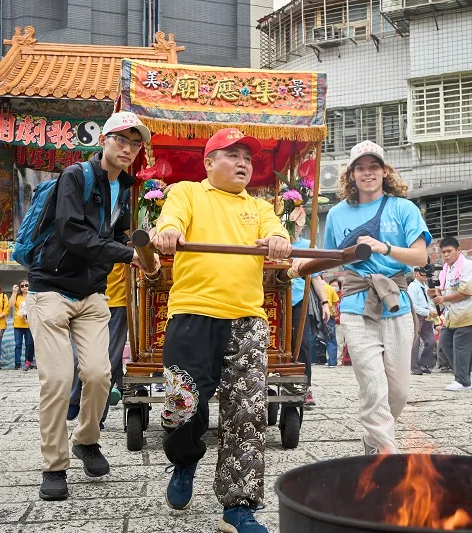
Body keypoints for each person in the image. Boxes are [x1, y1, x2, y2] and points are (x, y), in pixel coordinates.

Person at [151, 127, 291, 533]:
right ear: (209, 163)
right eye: (232, 155)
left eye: (247, 157)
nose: (243, 163)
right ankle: (185, 459)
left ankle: (238, 507)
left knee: (246, 412)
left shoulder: (259, 207)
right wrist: (169, 232)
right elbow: (171, 219)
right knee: (182, 405)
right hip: (192, 314)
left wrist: (277, 239)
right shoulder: (187, 193)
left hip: (247, 319)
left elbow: (276, 230)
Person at [27, 111, 150, 501]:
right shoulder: (75, 176)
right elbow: (73, 233)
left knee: (99, 374)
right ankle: (54, 465)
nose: (128, 149)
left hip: (92, 294)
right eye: (121, 140)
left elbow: (118, 235)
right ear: (104, 141)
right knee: (58, 379)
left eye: (135, 144)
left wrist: (142, 248)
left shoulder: (124, 188)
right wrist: (127, 254)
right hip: (50, 289)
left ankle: (86, 440)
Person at [323, 140, 430, 455]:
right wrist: (300, 263)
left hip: (396, 304)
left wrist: (385, 248)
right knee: (373, 386)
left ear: (384, 171)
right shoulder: (337, 214)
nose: (367, 173)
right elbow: (329, 258)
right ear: (351, 174)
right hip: (356, 306)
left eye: (373, 167)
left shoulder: (403, 208)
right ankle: (387, 457)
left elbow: (421, 257)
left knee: (398, 391)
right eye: (360, 168)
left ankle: (373, 443)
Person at [67, 261, 131, 428]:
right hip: (86, 302)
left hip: (119, 303)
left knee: (109, 363)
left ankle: (96, 415)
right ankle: (73, 398)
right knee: (77, 357)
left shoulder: (127, 243)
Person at [433, 237, 472, 392]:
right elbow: (443, 289)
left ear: (458, 250)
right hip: (454, 315)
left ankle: (463, 382)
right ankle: (467, 371)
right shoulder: (446, 270)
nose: (446, 255)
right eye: (443, 252)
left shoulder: (468, 266)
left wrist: (443, 298)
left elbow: (465, 292)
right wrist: (437, 292)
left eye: (449, 251)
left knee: (461, 346)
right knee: (444, 341)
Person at [290, 226, 330, 406]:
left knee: (302, 343)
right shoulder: (273, 239)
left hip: (300, 299)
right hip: (273, 298)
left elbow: (316, 278)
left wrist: (324, 303)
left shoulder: (308, 245)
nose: (295, 226)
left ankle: (305, 387)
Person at [407, 267, 437, 375]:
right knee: (416, 341)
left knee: (430, 341)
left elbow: (428, 302)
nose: (424, 276)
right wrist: (428, 312)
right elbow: (413, 305)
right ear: (416, 274)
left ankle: (424, 364)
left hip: (427, 315)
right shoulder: (412, 286)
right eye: (422, 273)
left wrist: (432, 311)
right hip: (418, 315)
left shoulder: (425, 286)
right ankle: (414, 367)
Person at [11, 279, 34, 370]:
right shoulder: (17, 296)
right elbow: (10, 305)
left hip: (29, 324)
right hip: (18, 324)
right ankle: (17, 363)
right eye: (22, 286)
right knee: (18, 344)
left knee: (29, 344)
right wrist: (14, 292)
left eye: (26, 285)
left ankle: (28, 362)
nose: (24, 287)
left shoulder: (32, 296)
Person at [323, 279, 340, 368]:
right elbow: (335, 302)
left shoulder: (313, 286)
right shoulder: (330, 288)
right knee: (331, 337)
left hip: (314, 312)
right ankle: (332, 362)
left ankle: (311, 360)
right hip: (328, 314)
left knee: (311, 337)